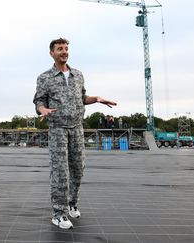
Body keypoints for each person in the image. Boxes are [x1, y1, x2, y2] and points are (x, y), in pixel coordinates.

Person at [33, 38, 117, 229]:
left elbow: (82, 97)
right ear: (51, 53)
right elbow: (38, 101)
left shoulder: (78, 75)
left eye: (66, 48)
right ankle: (58, 213)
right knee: (60, 171)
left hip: (77, 127)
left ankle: (71, 204)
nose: (64, 51)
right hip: (58, 129)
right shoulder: (44, 77)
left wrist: (95, 99)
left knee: (78, 168)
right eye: (59, 49)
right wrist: (42, 109)